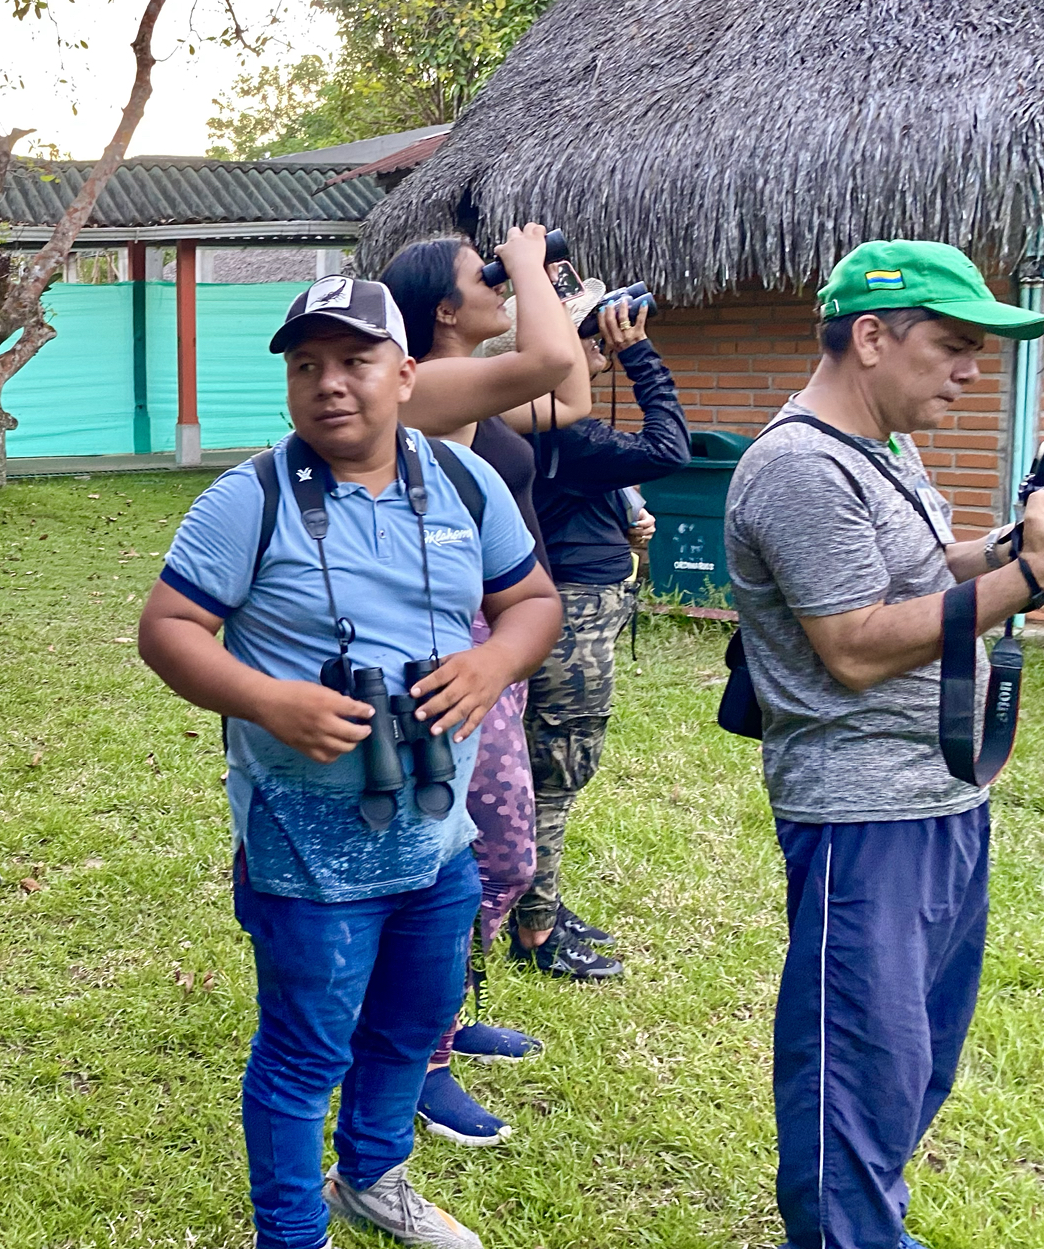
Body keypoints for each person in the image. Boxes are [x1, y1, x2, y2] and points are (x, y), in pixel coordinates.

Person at [139, 276, 561, 1249]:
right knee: (302, 1055)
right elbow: (166, 629)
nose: (329, 383)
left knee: (412, 1026)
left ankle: (372, 1178)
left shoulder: (464, 481)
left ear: (405, 374)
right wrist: (266, 700)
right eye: (306, 366)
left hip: (438, 834)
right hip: (304, 850)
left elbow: (532, 601)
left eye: (354, 361)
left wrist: (493, 660)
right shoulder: (247, 499)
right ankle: (291, 1234)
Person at [723, 239, 1044, 1249]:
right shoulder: (798, 467)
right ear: (873, 337)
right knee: (854, 1068)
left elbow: (922, 573)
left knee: (910, 1060)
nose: (971, 371)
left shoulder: (880, 448)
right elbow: (852, 646)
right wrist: (1035, 579)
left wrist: (1018, 542)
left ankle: (865, 1222)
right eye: (954, 346)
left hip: (938, 795)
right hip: (861, 813)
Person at [377, 224, 597, 1143]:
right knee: (490, 854)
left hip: (492, 634)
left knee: (474, 854)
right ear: (441, 308)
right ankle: (417, 1058)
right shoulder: (418, 385)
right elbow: (549, 360)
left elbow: (572, 393)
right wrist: (530, 259)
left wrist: (545, 291)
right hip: (443, 641)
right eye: (487, 277)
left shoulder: (473, 386)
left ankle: (442, 1019)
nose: (502, 284)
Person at [514, 298, 689, 973]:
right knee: (557, 770)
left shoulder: (546, 422)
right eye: (584, 333)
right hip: (572, 612)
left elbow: (591, 485)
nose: (599, 344)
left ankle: (538, 903)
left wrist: (624, 516)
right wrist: (641, 358)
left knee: (552, 766)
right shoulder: (556, 426)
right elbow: (668, 449)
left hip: (580, 604)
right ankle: (535, 929)